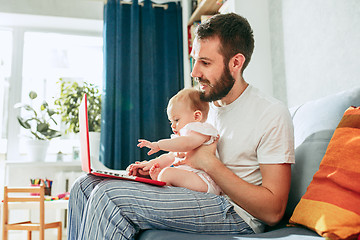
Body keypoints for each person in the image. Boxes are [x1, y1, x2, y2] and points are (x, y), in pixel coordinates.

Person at [67, 13, 295, 239]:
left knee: (109, 197)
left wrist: (209, 164)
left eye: (205, 63)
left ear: (236, 62)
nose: (194, 72)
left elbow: (273, 211)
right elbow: (183, 155)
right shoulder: (203, 109)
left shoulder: (270, 113)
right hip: (197, 192)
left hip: (235, 213)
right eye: (195, 59)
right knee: (85, 185)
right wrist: (152, 166)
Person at [128, 88, 222, 195]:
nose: (173, 125)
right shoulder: (181, 138)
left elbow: (186, 144)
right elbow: (169, 157)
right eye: (171, 122)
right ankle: (160, 180)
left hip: (205, 182)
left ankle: (161, 181)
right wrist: (149, 164)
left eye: (176, 120)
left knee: (167, 173)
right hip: (192, 179)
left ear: (197, 116)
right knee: (164, 172)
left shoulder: (202, 130)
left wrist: (158, 145)